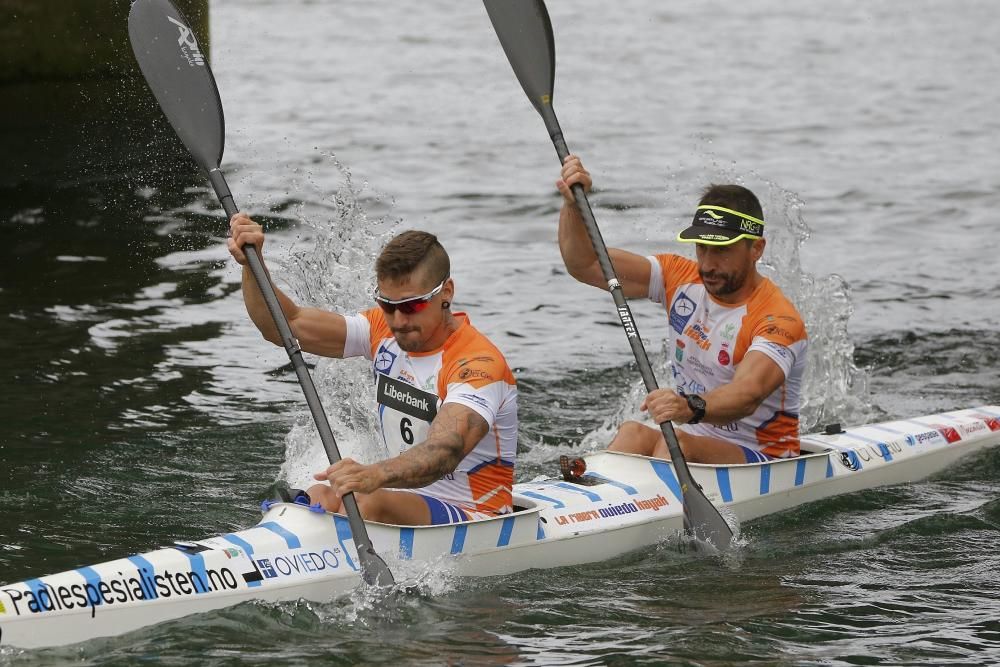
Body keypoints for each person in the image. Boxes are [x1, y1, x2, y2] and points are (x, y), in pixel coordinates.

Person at [228, 214, 518, 524]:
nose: (398, 320)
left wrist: (374, 474)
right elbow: (284, 325)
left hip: (476, 514)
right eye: (387, 305)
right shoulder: (381, 330)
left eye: (411, 305)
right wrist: (252, 265)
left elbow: (444, 450)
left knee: (367, 501)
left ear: (446, 292)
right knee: (318, 494)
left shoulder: (476, 365)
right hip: (404, 498)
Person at [555, 156, 807, 464]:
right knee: (633, 431)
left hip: (763, 455)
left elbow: (747, 394)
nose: (708, 264)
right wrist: (572, 206)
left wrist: (688, 407)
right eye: (702, 248)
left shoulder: (777, 319)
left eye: (722, 250)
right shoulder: (679, 277)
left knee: (677, 445)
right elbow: (584, 264)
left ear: (756, 249)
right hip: (690, 435)